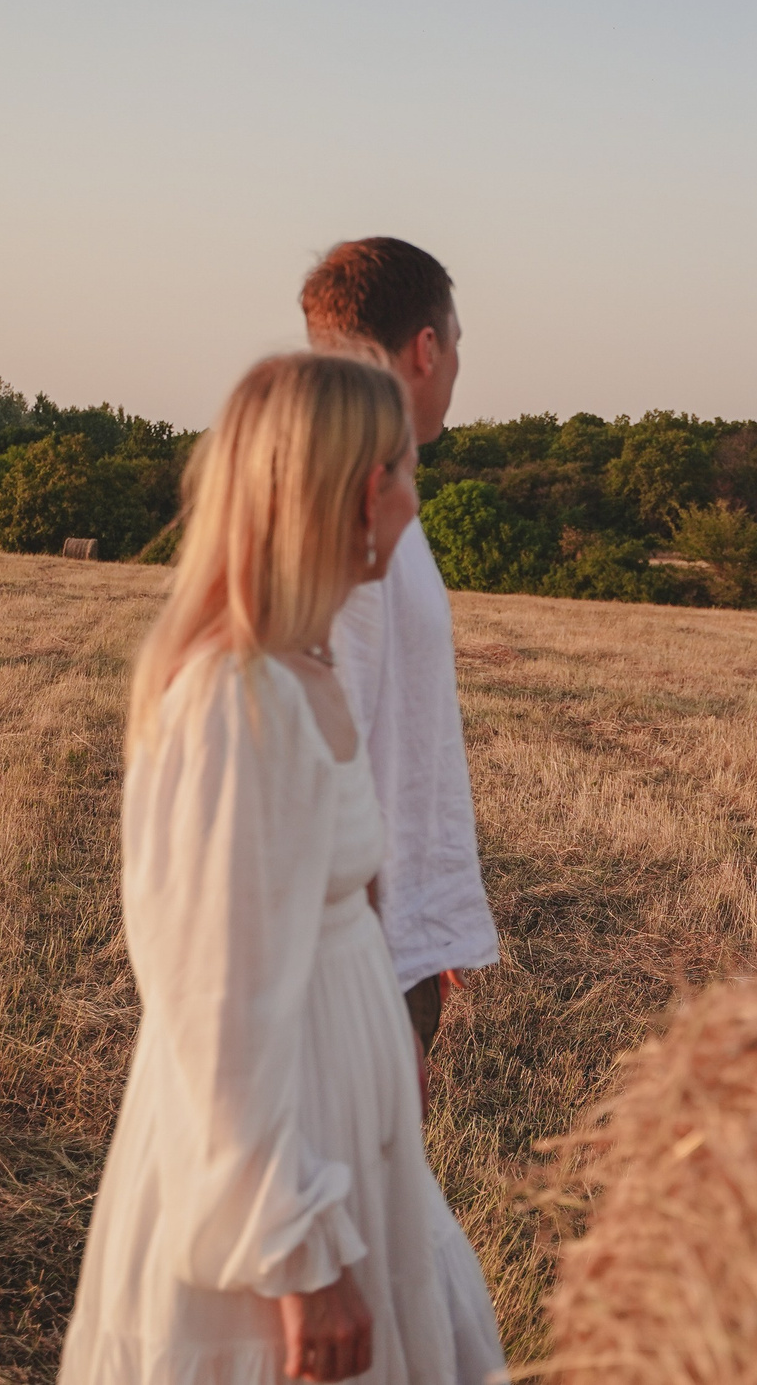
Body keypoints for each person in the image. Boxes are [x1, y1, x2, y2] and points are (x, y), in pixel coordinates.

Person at [60, 351, 504, 1385]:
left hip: (338, 1096)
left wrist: (390, 1051)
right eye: (403, 472)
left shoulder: (303, 667)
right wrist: (296, 1259)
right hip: (270, 1145)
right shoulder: (233, 704)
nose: (412, 497)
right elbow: (210, 1008)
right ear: (361, 491)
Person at [299, 239, 499, 1062]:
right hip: (353, 952)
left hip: (381, 928)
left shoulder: (373, 492)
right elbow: (319, 743)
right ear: (429, 348)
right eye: (457, 346)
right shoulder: (353, 507)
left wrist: (421, 913)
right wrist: (379, 947)